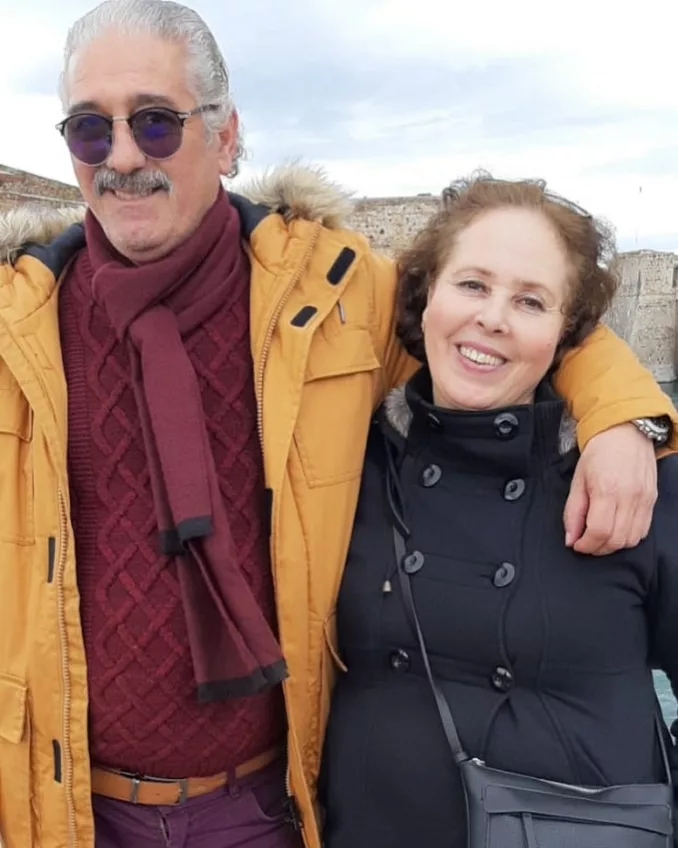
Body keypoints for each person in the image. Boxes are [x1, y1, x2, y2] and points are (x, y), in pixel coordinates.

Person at [0, 1, 675, 845]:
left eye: (157, 122)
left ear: (227, 135)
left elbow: (495, 323)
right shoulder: (19, 324)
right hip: (61, 812)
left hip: (266, 807)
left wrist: (625, 419)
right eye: (90, 130)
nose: (124, 156)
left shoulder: (336, 294)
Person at [319, 174, 678, 848]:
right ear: (426, 295)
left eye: (531, 301)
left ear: (566, 334)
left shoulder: (636, 482)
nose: (493, 318)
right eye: (472, 285)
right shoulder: (351, 467)